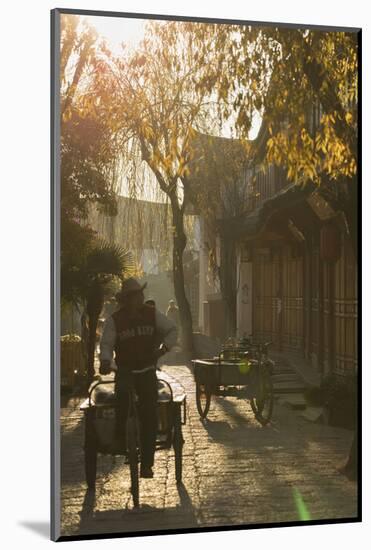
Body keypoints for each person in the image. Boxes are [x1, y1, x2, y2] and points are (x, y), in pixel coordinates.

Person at [99, 278, 177, 478]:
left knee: (149, 413)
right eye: (134, 296)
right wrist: (106, 361)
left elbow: (171, 330)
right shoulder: (115, 320)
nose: (138, 299)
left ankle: (147, 464)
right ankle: (119, 438)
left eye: (139, 295)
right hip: (125, 371)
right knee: (122, 399)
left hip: (147, 370)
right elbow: (106, 344)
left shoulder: (152, 314)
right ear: (126, 299)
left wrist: (163, 349)